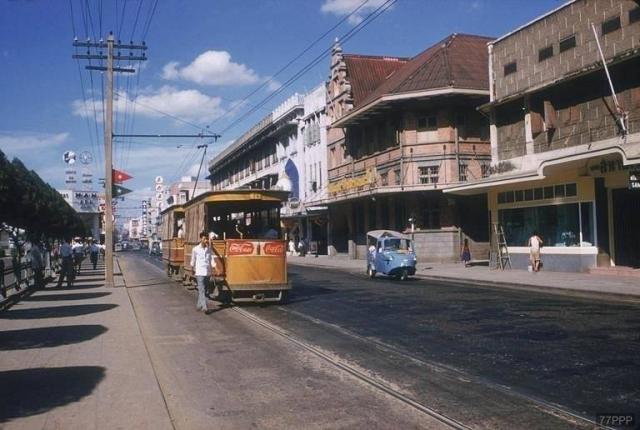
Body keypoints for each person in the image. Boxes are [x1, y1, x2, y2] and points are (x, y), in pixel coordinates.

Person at [190, 232, 212, 313]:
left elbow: (211, 259)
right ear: (201, 239)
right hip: (199, 272)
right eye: (204, 239)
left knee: (205, 290)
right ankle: (205, 307)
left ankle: (199, 305)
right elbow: (193, 259)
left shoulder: (209, 249)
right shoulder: (195, 249)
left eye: (206, 239)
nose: (206, 240)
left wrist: (215, 267)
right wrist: (192, 268)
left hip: (207, 272)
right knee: (201, 289)